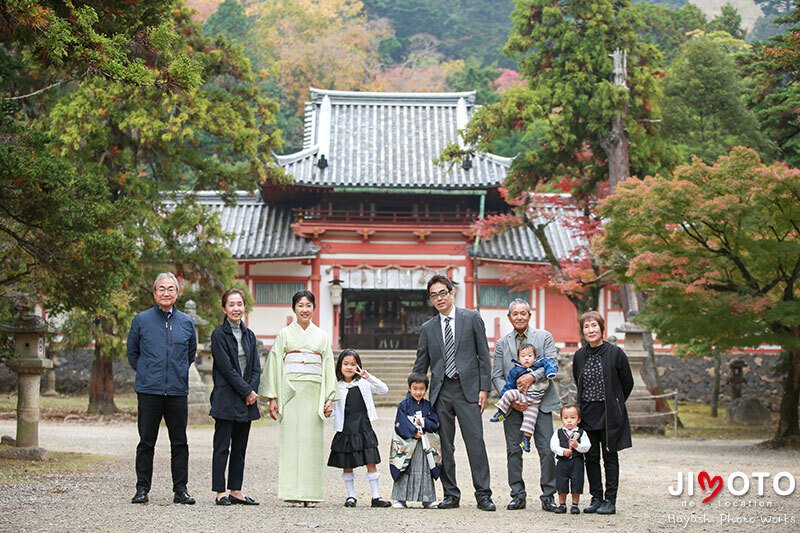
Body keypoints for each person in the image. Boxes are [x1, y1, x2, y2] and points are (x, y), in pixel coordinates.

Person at [412, 274, 495, 511]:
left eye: (442, 293)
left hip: (468, 389)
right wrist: (415, 395)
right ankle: (451, 494)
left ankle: (483, 494)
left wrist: (484, 388)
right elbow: (421, 364)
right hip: (441, 392)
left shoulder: (471, 318)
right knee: (445, 446)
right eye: (433, 295)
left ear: (452, 292)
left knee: (475, 443)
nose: (439, 298)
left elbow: (483, 355)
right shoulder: (428, 328)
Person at [259, 290, 337, 507]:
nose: (304, 309)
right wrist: (273, 397)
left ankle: (311, 493)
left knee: (312, 443)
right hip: (290, 391)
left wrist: (329, 397)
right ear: (294, 308)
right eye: (300, 305)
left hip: (313, 391)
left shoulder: (321, 335)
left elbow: (329, 366)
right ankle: (292, 492)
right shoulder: (285, 334)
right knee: (291, 442)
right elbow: (275, 363)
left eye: (308, 305)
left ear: (314, 308)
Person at [127, 272, 197, 505]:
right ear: (154, 292)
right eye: (161, 289)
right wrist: (148, 372)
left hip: (177, 390)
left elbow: (190, 354)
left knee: (180, 442)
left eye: (171, 289)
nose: (166, 293)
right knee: (146, 441)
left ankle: (181, 489)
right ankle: (142, 489)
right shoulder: (141, 320)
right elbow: (133, 353)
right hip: (149, 390)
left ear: (177, 293)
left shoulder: (186, 322)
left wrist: (176, 372)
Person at [491, 298, 561, 511]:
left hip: (541, 402)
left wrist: (532, 377)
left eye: (523, 313)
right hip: (513, 406)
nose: (519, 317)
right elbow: (497, 375)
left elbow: (552, 363)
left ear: (529, 315)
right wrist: (512, 398)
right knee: (514, 450)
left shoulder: (544, 337)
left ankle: (548, 495)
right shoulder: (503, 343)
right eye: (515, 313)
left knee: (547, 450)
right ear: (509, 317)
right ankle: (517, 495)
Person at [572, 310, 633, 515]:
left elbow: (627, 383)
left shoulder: (615, 353)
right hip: (587, 413)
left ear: (601, 328)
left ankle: (610, 500)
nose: (591, 330)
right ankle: (596, 497)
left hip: (608, 414)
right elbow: (577, 380)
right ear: (582, 331)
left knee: (609, 457)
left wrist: (616, 402)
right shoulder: (580, 355)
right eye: (586, 327)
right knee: (590, 457)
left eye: (594, 326)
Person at [209, 288, 261, 506]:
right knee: (222, 446)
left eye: (239, 304)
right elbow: (227, 369)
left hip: (245, 399)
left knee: (240, 447)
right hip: (226, 396)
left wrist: (251, 390)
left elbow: (256, 368)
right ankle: (220, 492)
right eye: (231, 304)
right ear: (224, 308)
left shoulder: (250, 335)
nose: (236, 308)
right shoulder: (218, 335)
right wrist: (247, 391)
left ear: (244, 307)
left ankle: (236, 490)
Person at [327, 349, 391, 508]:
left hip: (363, 427)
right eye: (346, 364)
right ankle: (351, 496)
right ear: (339, 366)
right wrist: (327, 410)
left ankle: (376, 496)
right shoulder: (336, 386)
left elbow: (384, 389)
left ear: (359, 366)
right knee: (347, 463)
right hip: (345, 429)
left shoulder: (364, 383)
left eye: (353, 364)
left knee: (371, 461)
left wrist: (368, 376)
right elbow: (333, 410)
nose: (349, 367)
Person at [489, 342, 557, 453]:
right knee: (508, 394)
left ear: (535, 357)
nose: (526, 359)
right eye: (523, 356)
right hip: (521, 395)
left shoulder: (540, 364)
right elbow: (509, 384)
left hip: (534, 402)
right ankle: (501, 412)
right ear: (518, 359)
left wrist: (550, 372)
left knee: (530, 422)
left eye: (529, 356)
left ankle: (526, 440)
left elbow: (550, 363)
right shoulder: (516, 370)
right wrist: (509, 398)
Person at [390, 372, 441, 509]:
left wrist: (423, 423)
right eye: (415, 389)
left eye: (421, 389)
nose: (418, 392)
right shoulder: (403, 405)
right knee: (404, 468)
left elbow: (435, 423)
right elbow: (400, 423)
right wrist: (413, 432)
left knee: (425, 470)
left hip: (423, 444)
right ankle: (401, 499)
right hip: (408, 444)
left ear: (426, 389)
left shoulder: (429, 406)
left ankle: (427, 499)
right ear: (409, 388)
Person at [549, 404, 591, 514]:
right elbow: (553, 446)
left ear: (579, 419)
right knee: (561, 483)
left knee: (577, 482)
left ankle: (575, 504)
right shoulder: (558, 432)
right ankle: (562, 504)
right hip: (562, 462)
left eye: (573, 418)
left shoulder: (581, 433)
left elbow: (587, 447)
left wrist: (577, 446)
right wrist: (563, 451)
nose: (569, 421)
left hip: (577, 462)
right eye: (566, 418)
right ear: (561, 419)